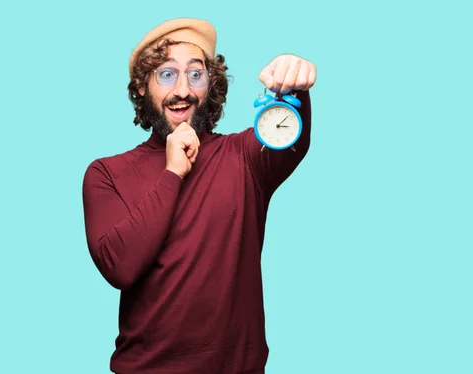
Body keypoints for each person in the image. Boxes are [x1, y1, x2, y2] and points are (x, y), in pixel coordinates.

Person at [82, 17, 317, 374]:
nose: (183, 90)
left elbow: (291, 135)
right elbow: (120, 268)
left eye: (196, 75)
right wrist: (173, 172)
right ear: (142, 87)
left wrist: (294, 83)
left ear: (212, 86)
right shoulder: (105, 174)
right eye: (165, 74)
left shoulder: (245, 157)